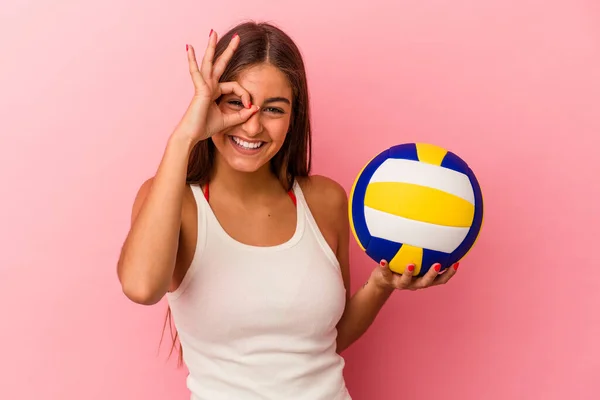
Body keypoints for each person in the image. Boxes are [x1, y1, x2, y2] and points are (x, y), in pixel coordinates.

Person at [116, 20, 459, 400]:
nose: (252, 126)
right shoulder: (173, 201)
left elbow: (324, 340)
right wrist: (185, 135)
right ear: (210, 102)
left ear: (294, 117)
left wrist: (381, 285)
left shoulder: (325, 199)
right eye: (236, 102)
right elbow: (141, 287)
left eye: (274, 109)